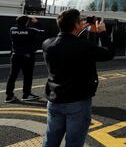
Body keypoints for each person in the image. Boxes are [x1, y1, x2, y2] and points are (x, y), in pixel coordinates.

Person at [42, 9, 115, 147]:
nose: (83, 22)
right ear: (75, 26)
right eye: (80, 20)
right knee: (74, 143)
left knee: (50, 139)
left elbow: (68, 43)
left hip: (54, 100)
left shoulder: (47, 44)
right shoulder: (84, 47)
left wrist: (81, 27)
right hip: (77, 102)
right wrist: (102, 32)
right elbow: (109, 53)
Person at [5, 16, 44, 103]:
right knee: (28, 76)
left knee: (12, 76)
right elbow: (42, 31)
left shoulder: (12, 29)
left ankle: (9, 96)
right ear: (27, 22)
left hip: (15, 56)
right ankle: (26, 94)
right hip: (27, 57)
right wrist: (36, 22)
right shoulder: (31, 30)